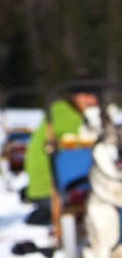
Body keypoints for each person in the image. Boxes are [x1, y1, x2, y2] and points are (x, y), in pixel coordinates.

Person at [22, 89, 99, 225]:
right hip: (50, 187)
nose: (92, 101)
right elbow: (87, 137)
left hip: (50, 184)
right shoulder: (64, 113)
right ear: (74, 96)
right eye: (86, 95)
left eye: (94, 96)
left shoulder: (64, 111)